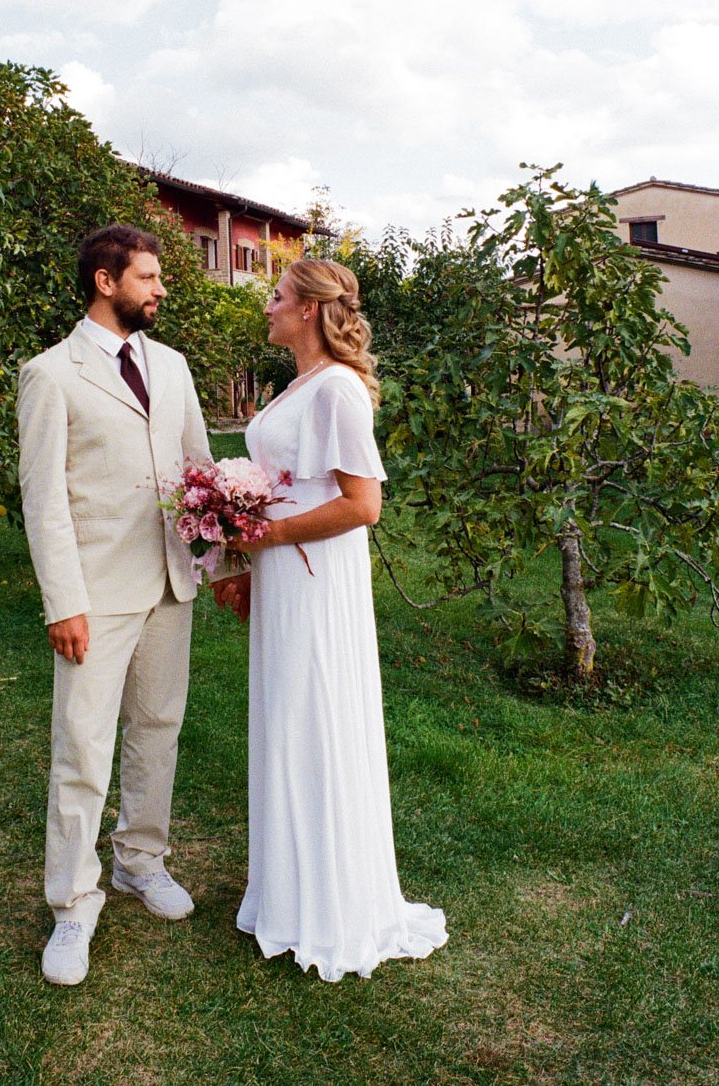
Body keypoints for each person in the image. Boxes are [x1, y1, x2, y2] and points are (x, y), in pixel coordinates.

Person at [17, 224, 244, 986]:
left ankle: (140, 862)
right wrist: (62, 603)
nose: (161, 290)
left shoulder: (173, 365)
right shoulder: (51, 374)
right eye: (148, 278)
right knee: (81, 748)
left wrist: (221, 568)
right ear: (106, 282)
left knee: (158, 729)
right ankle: (73, 903)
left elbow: (200, 473)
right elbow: (43, 500)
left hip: (170, 585)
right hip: (95, 594)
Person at [218, 258, 448, 982]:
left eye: (277, 297)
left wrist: (271, 538)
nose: (268, 307)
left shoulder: (340, 390)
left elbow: (363, 504)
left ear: (312, 310)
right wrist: (247, 556)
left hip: (317, 584)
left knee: (315, 715)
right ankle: (288, 889)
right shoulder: (297, 386)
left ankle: (332, 904)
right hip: (284, 576)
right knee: (285, 717)